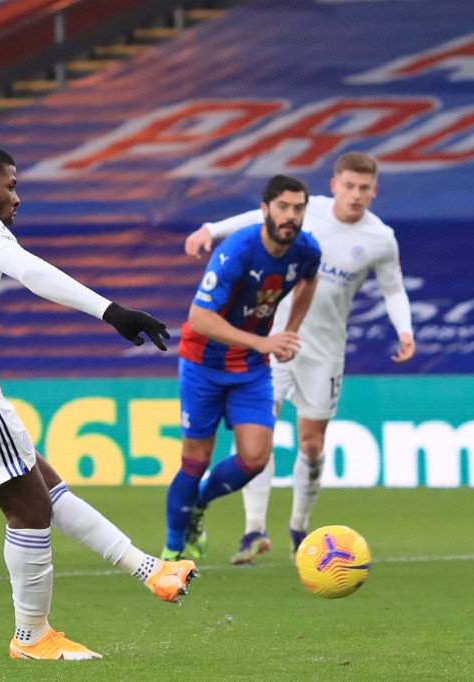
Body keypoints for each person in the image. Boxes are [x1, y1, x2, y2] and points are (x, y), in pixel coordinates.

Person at [0, 143, 195, 661]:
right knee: (29, 508)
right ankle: (33, 636)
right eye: (10, 185)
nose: (16, 197)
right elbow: (32, 272)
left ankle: (152, 570)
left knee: (40, 485)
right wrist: (111, 311)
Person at [183, 152, 415, 564]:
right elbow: (257, 222)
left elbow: (393, 288)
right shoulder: (308, 213)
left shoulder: (381, 238)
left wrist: (405, 330)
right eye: (349, 186)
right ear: (335, 184)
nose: (356, 195)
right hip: (271, 340)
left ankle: (300, 527)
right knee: (258, 435)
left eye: (365, 188)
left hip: (324, 349)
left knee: (312, 443)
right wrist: (211, 229)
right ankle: (253, 529)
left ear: (375, 191)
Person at [162, 175, 321, 563]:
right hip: (204, 362)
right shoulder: (238, 250)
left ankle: (199, 506)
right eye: (283, 207)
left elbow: (309, 281)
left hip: (250, 366)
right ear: (265, 210)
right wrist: (265, 342)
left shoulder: (306, 250)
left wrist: (289, 332)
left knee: (255, 458)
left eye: (298, 209)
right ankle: (171, 550)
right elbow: (199, 318)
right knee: (196, 459)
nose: (291, 216)